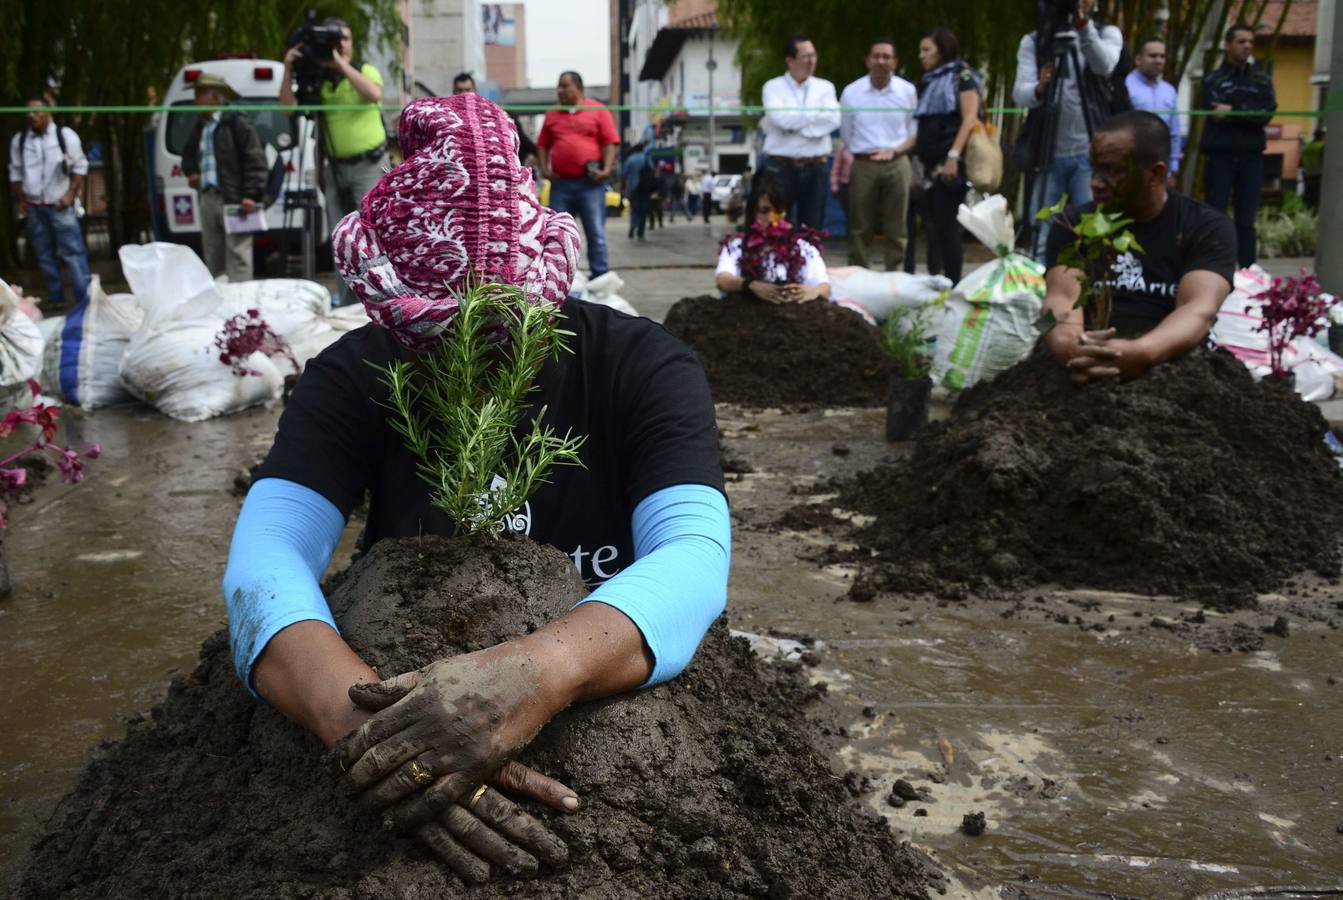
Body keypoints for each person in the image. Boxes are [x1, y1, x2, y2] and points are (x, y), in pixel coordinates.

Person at [224, 94, 729, 880]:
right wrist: (379, 736)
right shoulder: (351, 375)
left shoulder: (643, 367)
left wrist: (537, 672)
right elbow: (263, 561)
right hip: (392, 684)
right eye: (440, 339)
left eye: (499, 333)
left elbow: (694, 557)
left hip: (601, 682)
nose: (470, 361)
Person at [1041, 111, 1235, 383]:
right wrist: (1069, 345)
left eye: (1114, 170)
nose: (1096, 182)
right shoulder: (1073, 225)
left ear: (1156, 174)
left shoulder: (1206, 227)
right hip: (1079, 365)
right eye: (1095, 167)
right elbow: (1058, 300)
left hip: (1172, 369)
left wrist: (1141, 352)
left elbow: (1199, 309)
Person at [281, 17, 389, 303]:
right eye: (334, 39)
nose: (340, 45)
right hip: (335, 167)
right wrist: (289, 68)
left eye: (344, 39)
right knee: (341, 237)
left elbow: (374, 94)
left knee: (371, 235)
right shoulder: (320, 80)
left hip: (369, 165)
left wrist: (340, 64)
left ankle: (379, 298)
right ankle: (347, 300)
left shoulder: (364, 70)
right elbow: (287, 110)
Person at [1013, 0, 1124, 258]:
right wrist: (1040, 87)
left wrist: (1084, 28)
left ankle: (1094, 288)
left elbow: (1104, 65)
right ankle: (1040, 286)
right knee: (1042, 229)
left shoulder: (1108, 33)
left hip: (1091, 152)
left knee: (1094, 228)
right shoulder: (1035, 41)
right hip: (1048, 152)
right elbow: (1020, 94)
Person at [180, 74, 269, 283]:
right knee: (213, 254)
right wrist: (192, 171)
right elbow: (188, 156)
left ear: (214, 97)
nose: (195, 101)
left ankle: (241, 306)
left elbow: (255, 160)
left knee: (238, 255)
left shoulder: (237, 123)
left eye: (199, 95)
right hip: (208, 196)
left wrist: (251, 194)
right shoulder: (200, 126)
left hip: (236, 199)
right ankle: (219, 303)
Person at [1201, 24, 1276, 268]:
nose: (1247, 46)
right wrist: (1248, 112)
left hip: (1251, 157)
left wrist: (1233, 111)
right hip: (1220, 156)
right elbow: (1216, 114)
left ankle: (1248, 273)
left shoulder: (1262, 79)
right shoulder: (1214, 79)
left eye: (1250, 42)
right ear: (1228, 45)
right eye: (1241, 41)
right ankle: (1215, 268)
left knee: (1246, 220)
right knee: (1215, 216)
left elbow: (1265, 114)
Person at [839, 37, 918, 271]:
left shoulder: (907, 91)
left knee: (897, 227)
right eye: (876, 56)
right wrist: (866, 152)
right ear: (867, 60)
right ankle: (859, 275)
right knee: (860, 226)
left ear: (895, 62)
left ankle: (894, 275)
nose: (881, 61)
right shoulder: (852, 92)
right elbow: (846, 131)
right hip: (863, 163)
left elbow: (914, 130)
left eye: (887, 57)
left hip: (897, 162)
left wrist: (894, 151)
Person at [913, 27, 981, 284]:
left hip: (949, 162)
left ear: (942, 51)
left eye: (927, 50)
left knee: (947, 225)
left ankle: (953, 282)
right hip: (928, 162)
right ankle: (934, 280)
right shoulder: (930, 81)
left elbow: (969, 118)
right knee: (931, 227)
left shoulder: (962, 76)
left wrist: (953, 156)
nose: (922, 56)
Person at [7, 97, 90, 306]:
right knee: (44, 256)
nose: (31, 116)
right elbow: (15, 172)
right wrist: (21, 199)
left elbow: (79, 167)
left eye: (36, 112)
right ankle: (56, 298)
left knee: (73, 254)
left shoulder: (65, 136)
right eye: (28, 112)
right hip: (35, 208)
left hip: (60, 206)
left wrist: (70, 194)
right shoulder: (21, 139)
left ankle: (84, 299)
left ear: (48, 112)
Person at [537, 71, 619, 277]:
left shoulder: (598, 110)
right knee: (557, 234)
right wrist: (544, 169)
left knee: (596, 232)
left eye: (565, 86)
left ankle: (600, 275)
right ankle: (557, 277)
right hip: (561, 184)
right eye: (559, 86)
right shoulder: (552, 114)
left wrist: (607, 169)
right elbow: (543, 145)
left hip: (590, 183)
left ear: (578, 88)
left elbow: (609, 142)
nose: (560, 90)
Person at [760, 35, 841, 230]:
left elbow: (832, 120)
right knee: (777, 226)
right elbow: (780, 119)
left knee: (812, 229)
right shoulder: (773, 87)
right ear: (790, 60)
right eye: (805, 56)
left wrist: (795, 124)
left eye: (813, 55)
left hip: (815, 167)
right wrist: (814, 116)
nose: (811, 61)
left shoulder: (825, 87)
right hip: (781, 167)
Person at [714, 178, 830, 303]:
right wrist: (751, 286)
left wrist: (813, 292)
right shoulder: (736, 247)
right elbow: (723, 279)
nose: (771, 218)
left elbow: (824, 287)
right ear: (754, 213)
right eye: (764, 211)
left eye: (778, 211)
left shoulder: (804, 249)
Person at [1124, 37, 1181, 177]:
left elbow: (1174, 131)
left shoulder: (1169, 90)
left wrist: (1173, 167)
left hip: (1161, 163)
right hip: (1131, 162)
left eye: (1162, 56)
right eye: (1153, 56)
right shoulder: (1125, 87)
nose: (1159, 60)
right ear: (1138, 59)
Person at [453, 71, 538, 165]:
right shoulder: (448, 118)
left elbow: (527, 144)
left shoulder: (487, 116)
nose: (464, 94)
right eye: (459, 90)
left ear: (475, 92)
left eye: (467, 90)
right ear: (453, 92)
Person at [621, 142, 652, 240]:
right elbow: (652, 171)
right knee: (643, 211)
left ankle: (633, 223)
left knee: (634, 208)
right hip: (645, 189)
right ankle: (640, 233)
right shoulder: (646, 158)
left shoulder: (630, 159)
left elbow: (624, 173)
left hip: (633, 188)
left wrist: (624, 185)